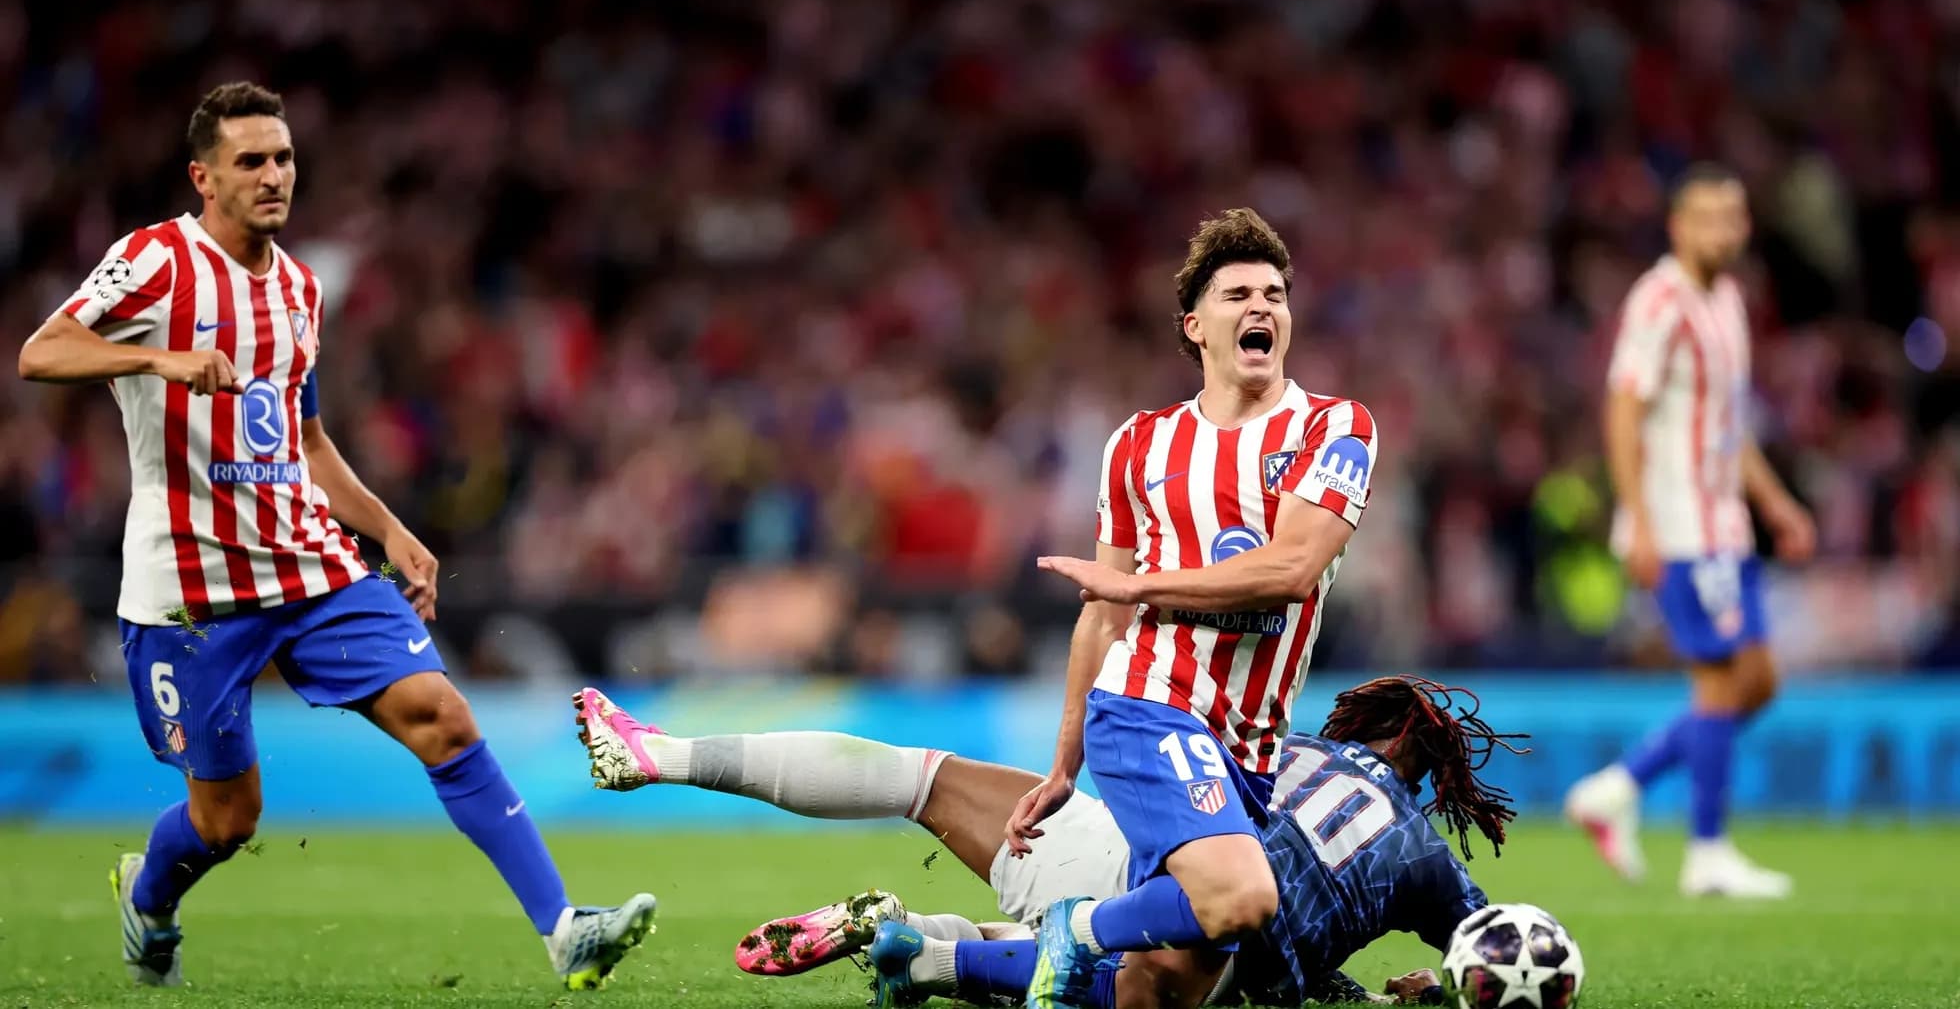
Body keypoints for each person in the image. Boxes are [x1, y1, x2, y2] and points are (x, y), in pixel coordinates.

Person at [16, 83, 654, 990]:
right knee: (228, 819)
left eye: (281, 158)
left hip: (310, 566)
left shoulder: (301, 289)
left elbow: (305, 439)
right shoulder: (156, 263)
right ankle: (149, 895)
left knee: (444, 717)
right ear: (204, 176)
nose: (273, 176)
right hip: (191, 593)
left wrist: (392, 531)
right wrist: (156, 358)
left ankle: (564, 927)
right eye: (250, 162)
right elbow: (41, 352)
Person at [572, 678, 1512, 1007]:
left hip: (1117, 842)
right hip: (1194, 943)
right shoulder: (1422, 850)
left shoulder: (1291, 746)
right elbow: (1495, 949)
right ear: (1427, 774)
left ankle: (660, 751)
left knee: (918, 775)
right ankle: (928, 948)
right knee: (1122, 968)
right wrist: (1429, 985)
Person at [1009, 208, 1380, 1006]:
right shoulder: (1138, 445)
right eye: (1237, 293)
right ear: (1196, 325)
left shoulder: (1336, 428)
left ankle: (928, 960)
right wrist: (1064, 763)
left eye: (1275, 294)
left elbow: (1291, 567)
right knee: (1245, 899)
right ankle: (1071, 928)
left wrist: (1141, 585)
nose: (1261, 307)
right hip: (1145, 705)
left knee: (1159, 985)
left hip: (1248, 749)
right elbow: (1101, 618)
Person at [1565, 163, 1816, 899]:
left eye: (1733, 217)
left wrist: (1775, 503)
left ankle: (1616, 787)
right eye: (1707, 217)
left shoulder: (1729, 300)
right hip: (1679, 525)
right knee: (1717, 683)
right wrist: (1639, 518)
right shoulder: (1660, 299)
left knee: (1757, 681)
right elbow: (1623, 409)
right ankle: (1708, 852)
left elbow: (1729, 427)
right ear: (1678, 226)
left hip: (1727, 524)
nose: (1723, 231)